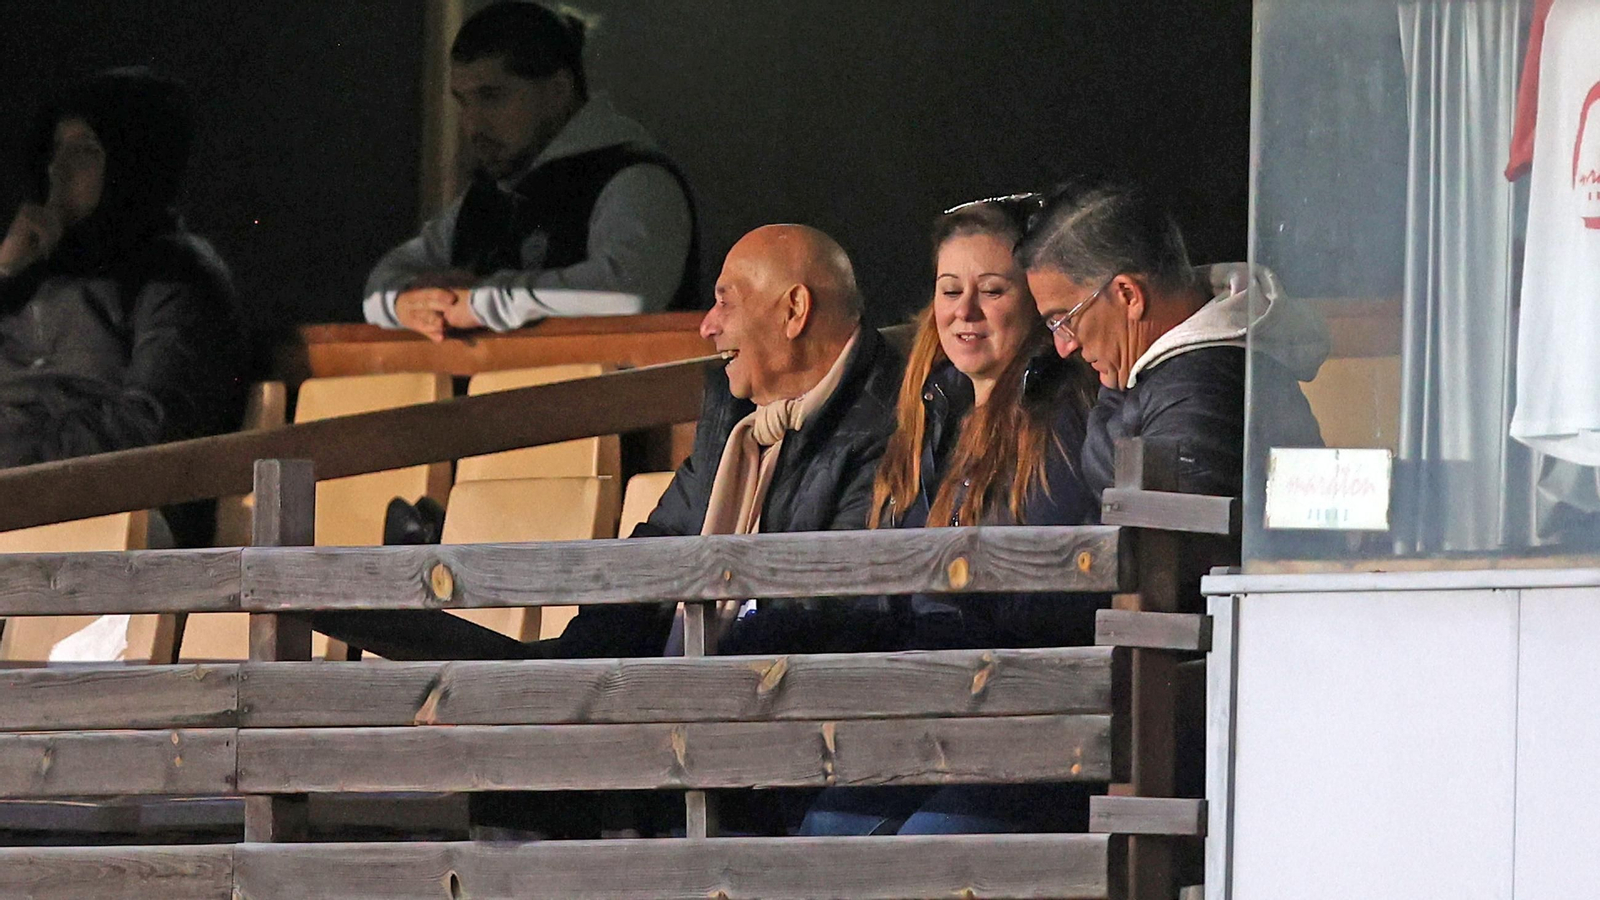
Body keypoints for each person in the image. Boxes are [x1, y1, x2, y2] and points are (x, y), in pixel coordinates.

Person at [794, 196, 1104, 837]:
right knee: (823, 838)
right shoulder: (928, 408)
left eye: (991, 290)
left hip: (1026, 724)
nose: (964, 312)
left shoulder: (1065, 420)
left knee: (922, 852)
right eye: (949, 289)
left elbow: (1046, 602)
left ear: (1037, 303)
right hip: (917, 712)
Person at [1019, 177, 1327, 585]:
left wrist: (1113, 391)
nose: (1064, 346)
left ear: (1129, 295)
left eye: (1064, 319)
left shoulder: (1204, 382)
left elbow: (1163, 553)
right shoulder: (1177, 371)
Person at [0, 67, 244, 545]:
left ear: (131, 163)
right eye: (56, 150)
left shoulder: (178, 276)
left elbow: (151, 424)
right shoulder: (31, 266)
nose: (57, 168)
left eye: (84, 151)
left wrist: (15, 457)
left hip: (97, 517)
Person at [362, 0, 699, 342]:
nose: (472, 125)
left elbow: (629, 291)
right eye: (463, 101)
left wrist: (482, 301)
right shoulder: (487, 194)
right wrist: (404, 302)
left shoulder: (636, 181)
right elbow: (385, 281)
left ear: (558, 91)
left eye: (491, 97)